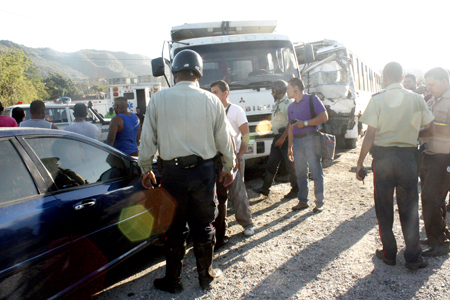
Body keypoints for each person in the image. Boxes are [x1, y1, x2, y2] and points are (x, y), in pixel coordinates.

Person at [137, 50, 235, 293]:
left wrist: (146, 167)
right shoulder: (212, 100)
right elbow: (224, 139)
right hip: (204, 173)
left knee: (174, 227)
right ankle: (206, 277)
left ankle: (173, 281)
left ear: (175, 72)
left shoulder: (159, 99)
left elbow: (147, 138)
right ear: (198, 74)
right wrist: (228, 167)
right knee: (204, 224)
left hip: (172, 175)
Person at [356, 62, 434, 269]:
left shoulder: (377, 100)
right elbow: (430, 129)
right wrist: (409, 134)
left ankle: (389, 253)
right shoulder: (417, 98)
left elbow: (370, 135)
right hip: (408, 158)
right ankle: (413, 257)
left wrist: (359, 162)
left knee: (383, 207)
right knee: (409, 208)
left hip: (383, 159)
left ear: (384, 77)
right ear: (401, 77)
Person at [210, 80, 254, 245]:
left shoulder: (236, 110)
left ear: (225, 93)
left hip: (234, 158)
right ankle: (222, 228)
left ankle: (247, 223)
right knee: (220, 197)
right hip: (217, 160)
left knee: (237, 193)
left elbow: (246, 134)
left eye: (215, 92)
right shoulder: (212, 111)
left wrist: (240, 155)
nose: (213, 95)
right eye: (211, 92)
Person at [419, 67, 450, 257]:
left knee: (431, 199)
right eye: (427, 84)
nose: (428, 88)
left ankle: (440, 243)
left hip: (444, 157)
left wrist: (428, 129)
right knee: (435, 200)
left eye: (432, 84)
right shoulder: (433, 99)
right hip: (430, 155)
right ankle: (438, 234)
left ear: (445, 80)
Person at [287, 78, 328, 212]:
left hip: (311, 139)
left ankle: (319, 203)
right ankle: (303, 201)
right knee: (300, 173)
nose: (287, 91)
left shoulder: (312, 99)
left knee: (316, 171)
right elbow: (290, 128)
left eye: (288, 88)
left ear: (296, 88)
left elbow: (324, 116)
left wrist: (305, 123)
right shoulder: (291, 107)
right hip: (298, 142)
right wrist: (289, 146)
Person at [253, 80, 299, 199]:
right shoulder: (278, 102)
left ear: (279, 90)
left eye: (273, 91)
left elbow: (291, 123)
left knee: (290, 165)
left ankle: (296, 190)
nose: (272, 93)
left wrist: (283, 138)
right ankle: (265, 188)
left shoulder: (288, 103)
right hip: (277, 137)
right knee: (271, 163)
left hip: (285, 136)